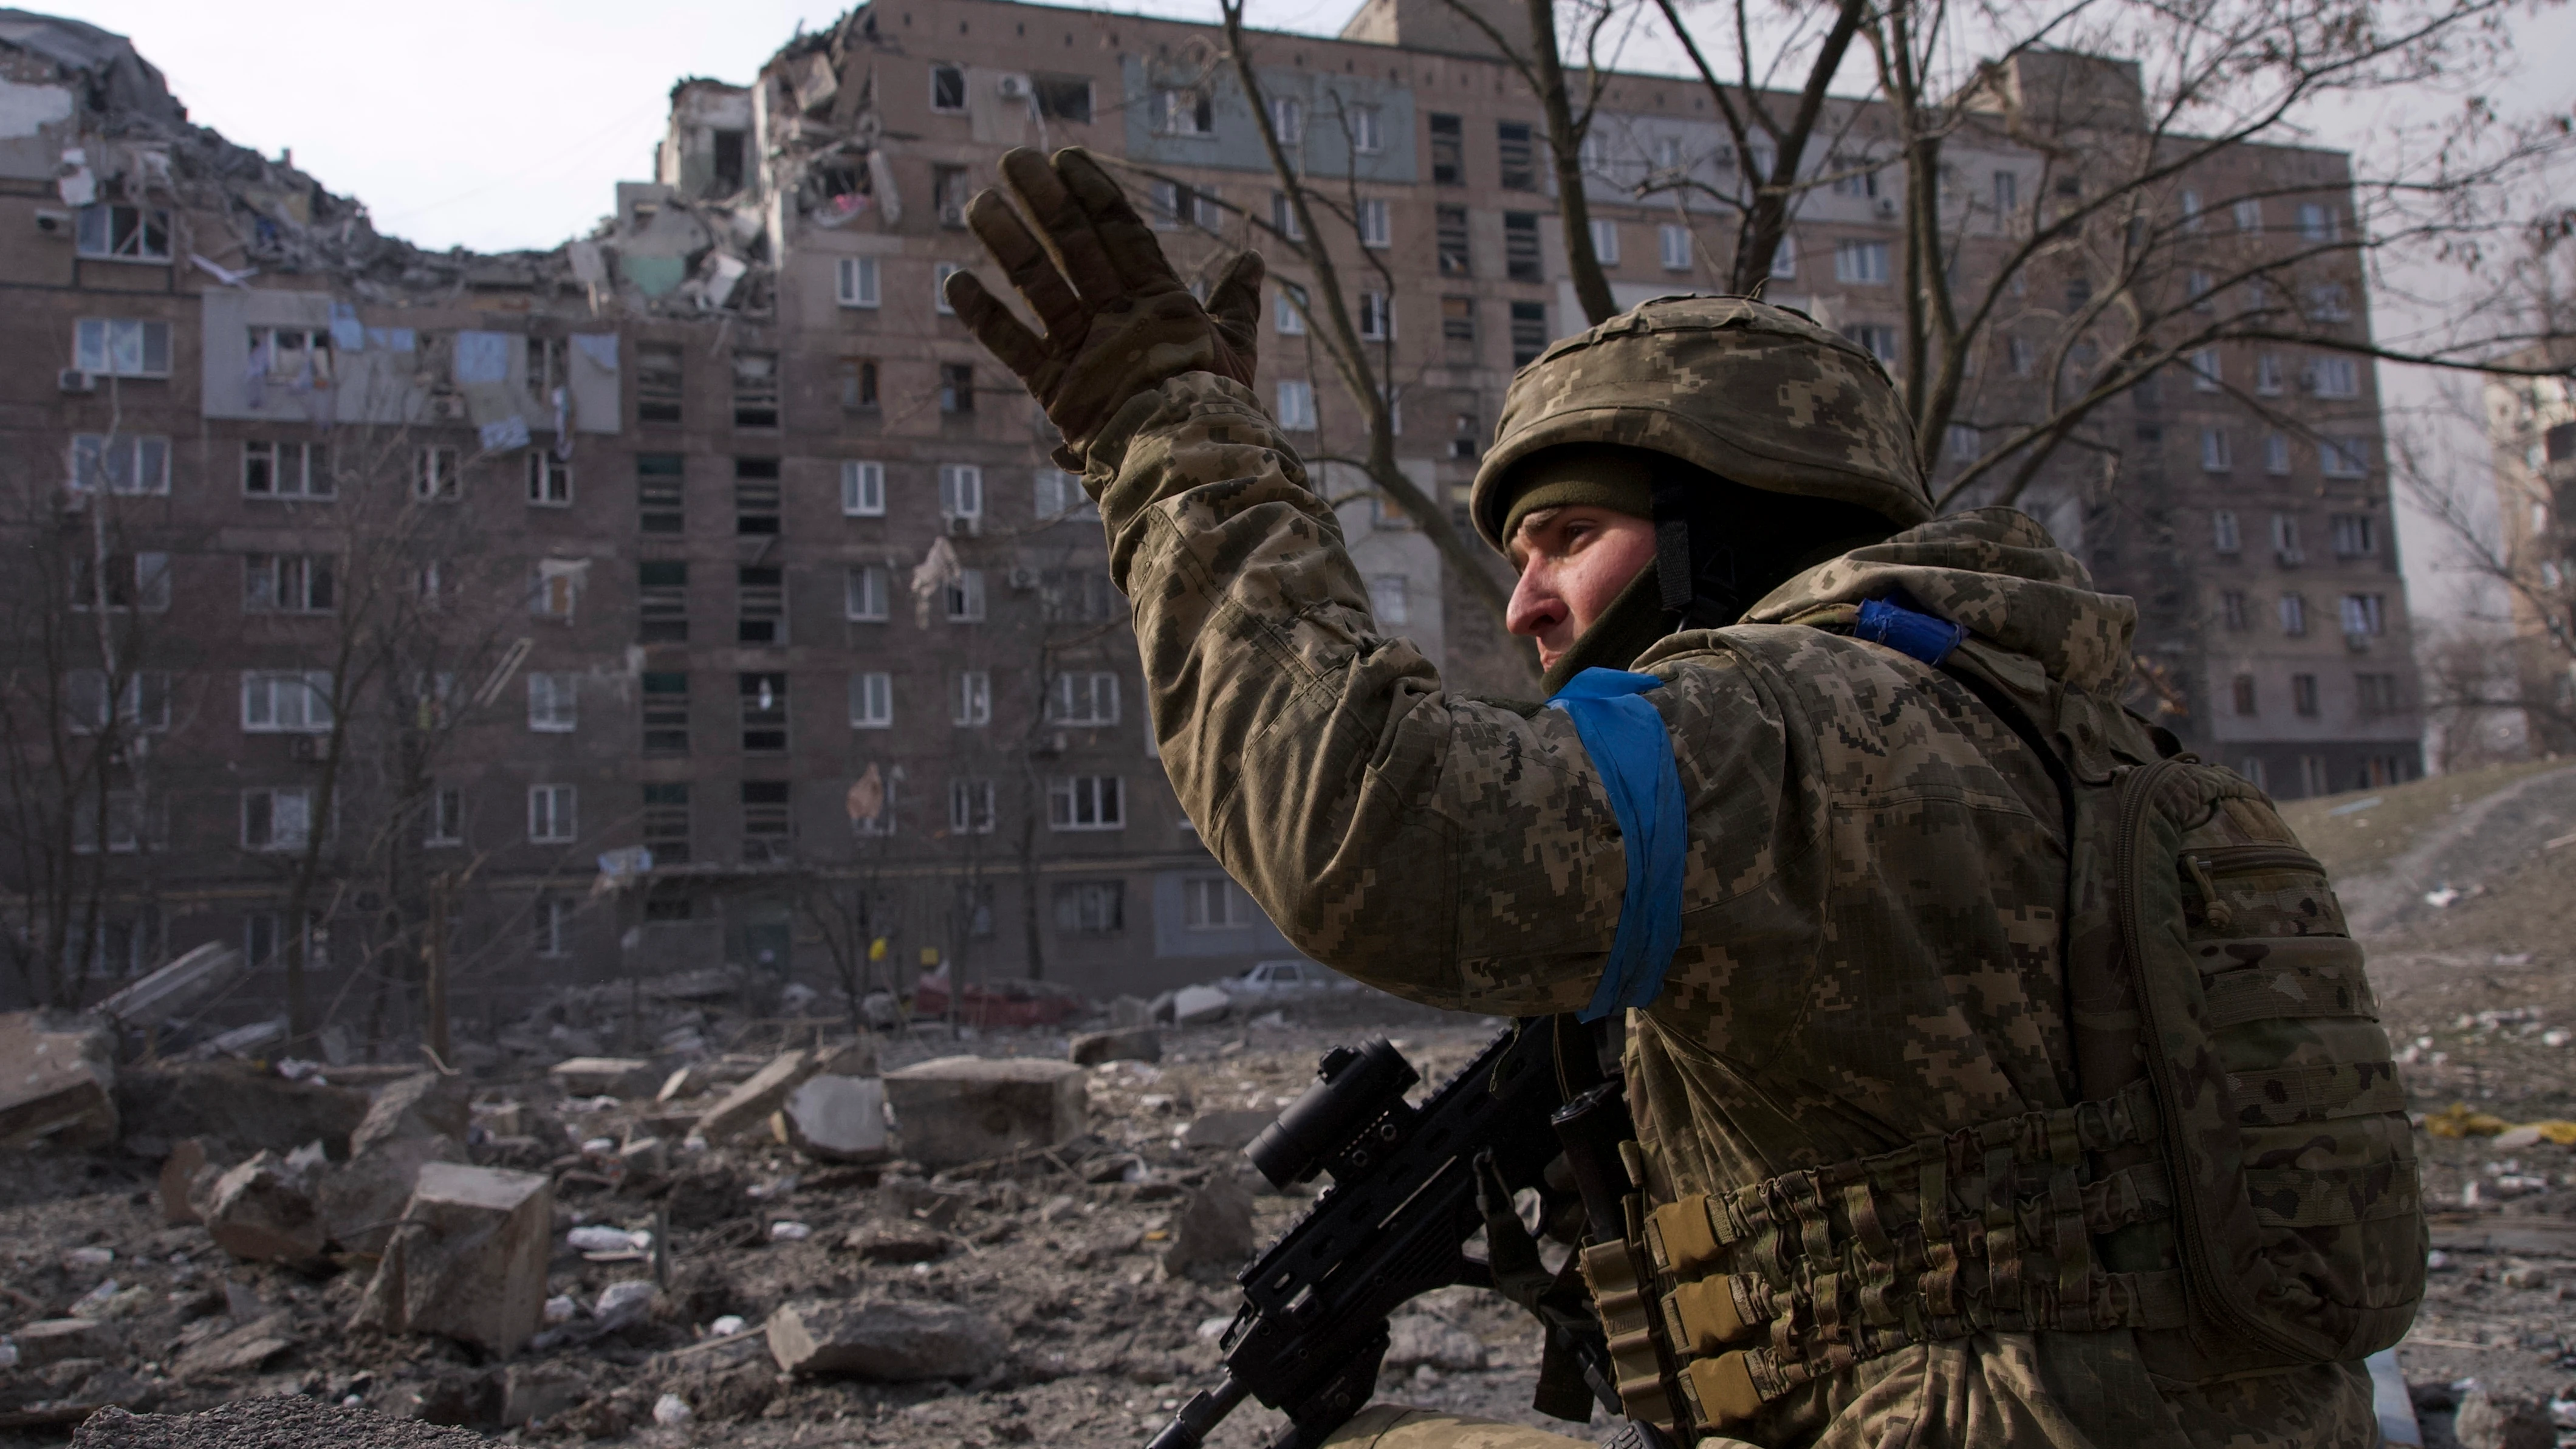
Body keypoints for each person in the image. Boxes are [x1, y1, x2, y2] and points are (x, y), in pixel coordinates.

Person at [944, 146, 2383, 1449]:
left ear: (1727, 523)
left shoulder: (1784, 723)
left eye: (1566, 538)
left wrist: (1171, 436)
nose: (1523, 605)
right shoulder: (2082, 739)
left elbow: (1369, 832)